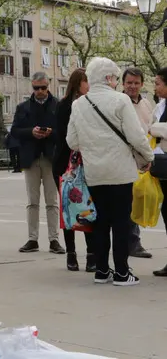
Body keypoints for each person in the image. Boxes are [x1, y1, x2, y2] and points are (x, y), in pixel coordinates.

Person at [66, 57, 153, 286]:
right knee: (121, 222)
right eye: (115, 77)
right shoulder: (121, 100)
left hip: (94, 173)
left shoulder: (79, 104)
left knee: (100, 221)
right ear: (108, 78)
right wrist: (148, 156)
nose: (116, 81)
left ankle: (102, 270)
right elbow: (136, 136)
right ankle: (123, 272)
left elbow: (72, 141)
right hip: (120, 172)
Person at [10, 72, 65, 255]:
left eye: (43, 87)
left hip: (51, 158)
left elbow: (65, 132)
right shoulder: (23, 107)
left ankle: (54, 239)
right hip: (31, 158)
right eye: (36, 88)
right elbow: (15, 131)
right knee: (32, 201)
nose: (40, 91)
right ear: (31, 87)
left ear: (48, 86)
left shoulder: (58, 106)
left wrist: (51, 133)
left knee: (52, 201)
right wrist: (31, 132)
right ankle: (32, 239)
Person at [52, 68, 95, 272]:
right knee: (68, 208)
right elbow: (62, 136)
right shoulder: (64, 106)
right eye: (87, 81)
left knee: (87, 207)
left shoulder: (92, 103)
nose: (90, 85)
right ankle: (71, 253)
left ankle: (92, 253)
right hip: (66, 164)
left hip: (88, 164)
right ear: (78, 83)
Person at [120, 68, 155, 259]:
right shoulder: (119, 103)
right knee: (127, 203)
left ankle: (131, 241)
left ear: (141, 84)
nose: (132, 86)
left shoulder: (147, 104)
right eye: (129, 83)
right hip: (124, 160)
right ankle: (133, 243)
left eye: (136, 83)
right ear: (122, 84)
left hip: (144, 160)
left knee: (139, 201)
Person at [145, 68, 167, 277]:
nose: (155, 87)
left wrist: (157, 129)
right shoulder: (160, 106)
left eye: (158, 82)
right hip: (162, 163)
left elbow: (156, 129)